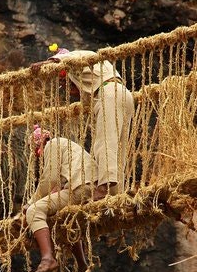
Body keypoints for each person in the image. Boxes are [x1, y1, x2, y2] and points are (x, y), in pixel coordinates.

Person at [31, 44, 135, 200]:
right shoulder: (92, 71)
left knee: (104, 143)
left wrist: (45, 65)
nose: (67, 87)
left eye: (64, 80)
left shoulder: (78, 56)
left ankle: (104, 187)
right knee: (118, 147)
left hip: (109, 94)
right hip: (124, 96)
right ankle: (115, 193)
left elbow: (64, 59)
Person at [23, 125, 96, 272]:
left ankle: (47, 258)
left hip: (81, 188)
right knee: (64, 220)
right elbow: (58, 184)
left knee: (35, 211)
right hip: (87, 187)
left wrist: (30, 203)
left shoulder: (52, 145)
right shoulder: (66, 146)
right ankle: (83, 268)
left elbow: (50, 179)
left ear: (38, 144)